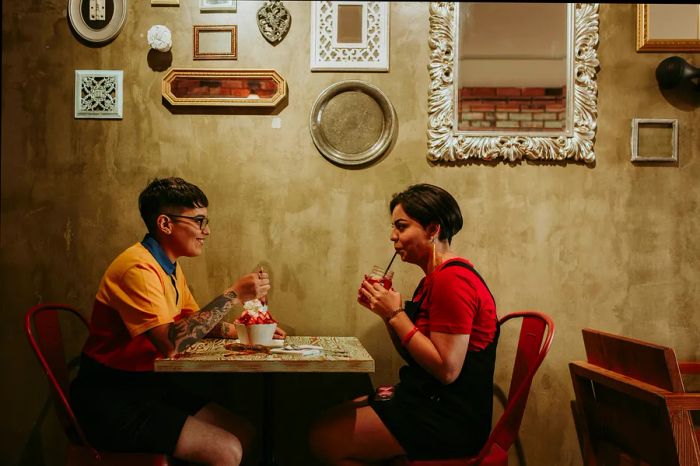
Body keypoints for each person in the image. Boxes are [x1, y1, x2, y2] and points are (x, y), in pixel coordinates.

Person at [70, 177, 284, 466]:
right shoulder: (138, 268)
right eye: (198, 221)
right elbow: (171, 342)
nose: (206, 231)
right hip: (111, 399)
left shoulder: (167, 266)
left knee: (244, 431)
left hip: (148, 388)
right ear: (165, 224)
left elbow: (193, 323)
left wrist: (247, 330)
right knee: (227, 450)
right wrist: (233, 294)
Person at [309, 183, 499, 465]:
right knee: (331, 416)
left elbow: (446, 370)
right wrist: (388, 314)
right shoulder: (432, 280)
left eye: (401, 226)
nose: (392, 236)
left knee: (323, 438)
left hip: (449, 419)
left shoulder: (453, 280)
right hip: (429, 401)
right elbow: (419, 356)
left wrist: (397, 314)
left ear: (433, 229)